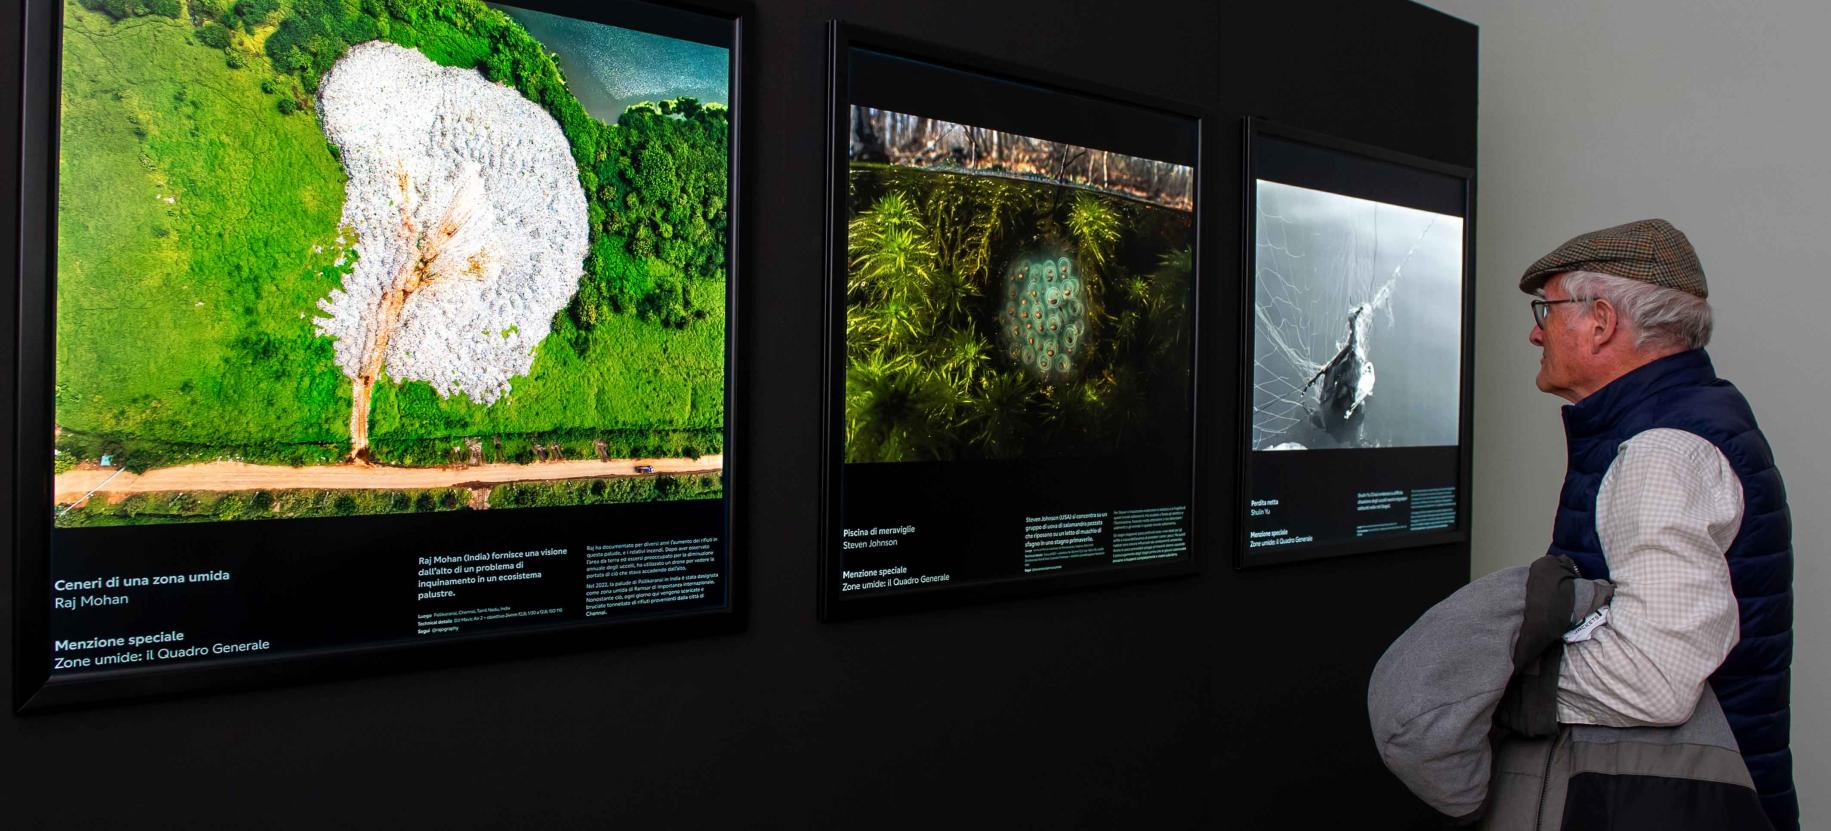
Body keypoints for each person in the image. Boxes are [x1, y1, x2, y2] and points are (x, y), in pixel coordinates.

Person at [1520, 218, 1796, 830]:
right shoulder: (1693, 415)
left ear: (1601, 321)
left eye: (1548, 310)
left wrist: (1491, 679)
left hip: (1682, 804)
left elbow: (1653, 679)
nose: (1535, 333)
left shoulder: (1663, 451)